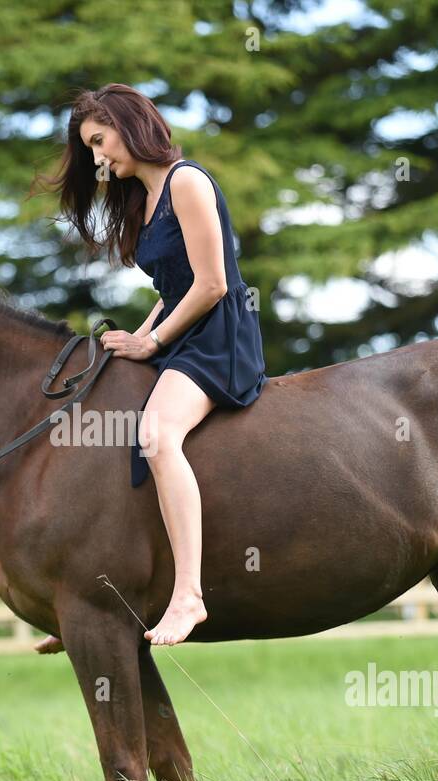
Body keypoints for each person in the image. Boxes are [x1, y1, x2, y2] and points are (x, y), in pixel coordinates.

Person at [39, 83, 267, 650]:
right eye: (89, 148)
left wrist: (153, 341)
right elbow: (175, 286)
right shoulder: (146, 197)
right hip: (183, 331)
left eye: (99, 141)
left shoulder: (187, 181)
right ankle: (94, 599)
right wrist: (138, 336)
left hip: (218, 339)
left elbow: (213, 285)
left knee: (158, 435)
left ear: (127, 124)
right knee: (104, 428)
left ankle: (189, 594)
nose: (96, 159)